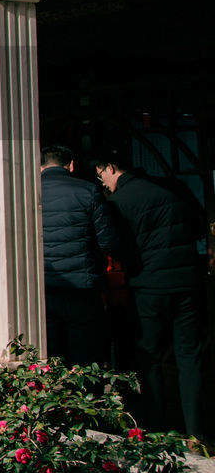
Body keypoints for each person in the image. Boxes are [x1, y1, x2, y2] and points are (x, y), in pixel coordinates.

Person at [95, 152, 208, 438]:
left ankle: (157, 428)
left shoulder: (120, 202)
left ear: (111, 167)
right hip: (188, 284)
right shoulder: (175, 189)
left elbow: (117, 247)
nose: (103, 184)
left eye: (101, 176)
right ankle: (198, 431)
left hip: (148, 287)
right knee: (191, 358)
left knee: (150, 359)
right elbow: (199, 227)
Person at [40, 144, 117, 366]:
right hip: (82, 288)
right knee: (85, 357)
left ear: (40, 167)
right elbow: (107, 242)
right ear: (71, 166)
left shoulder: (27, 193)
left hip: (44, 288)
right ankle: (87, 398)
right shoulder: (89, 191)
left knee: (52, 356)